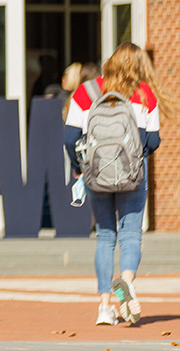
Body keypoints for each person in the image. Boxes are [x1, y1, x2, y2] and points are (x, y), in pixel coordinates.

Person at [63, 43, 162, 327]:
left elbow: (70, 137)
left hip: (95, 172)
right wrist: (136, 156)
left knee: (105, 236)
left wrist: (78, 167)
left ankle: (104, 308)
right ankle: (127, 279)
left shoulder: (86, 92)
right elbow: (153, 141)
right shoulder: (144, 94)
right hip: (132, 173)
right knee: (130, 234)